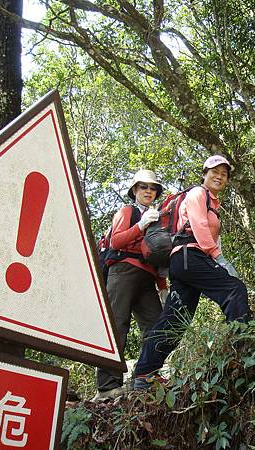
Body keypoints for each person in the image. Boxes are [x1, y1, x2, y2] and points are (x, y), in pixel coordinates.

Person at [133, 155, 250, 389]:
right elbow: (198, 225)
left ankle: (144, 374)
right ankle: (245, 349)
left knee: (175, 320)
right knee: (234, 289)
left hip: (184, 262)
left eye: (224, 174)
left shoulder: (212, 202)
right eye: (214, 171)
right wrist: (219, 259)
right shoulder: (198, 193)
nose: (219, 176)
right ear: (204, 173)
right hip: (190, 256)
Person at [94, 169, 166, 400]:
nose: (148, 191)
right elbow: (116, 240)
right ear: (135, 190)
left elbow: (156, 252)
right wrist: (141, 225)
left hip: (147, 276)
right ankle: (107, 386)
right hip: (122, 271)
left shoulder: (157, 217)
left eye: (153, 188)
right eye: (143, 187)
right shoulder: (128, 211)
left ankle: (146, 377)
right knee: (117, 325)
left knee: (156, 326)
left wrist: (162, 286)